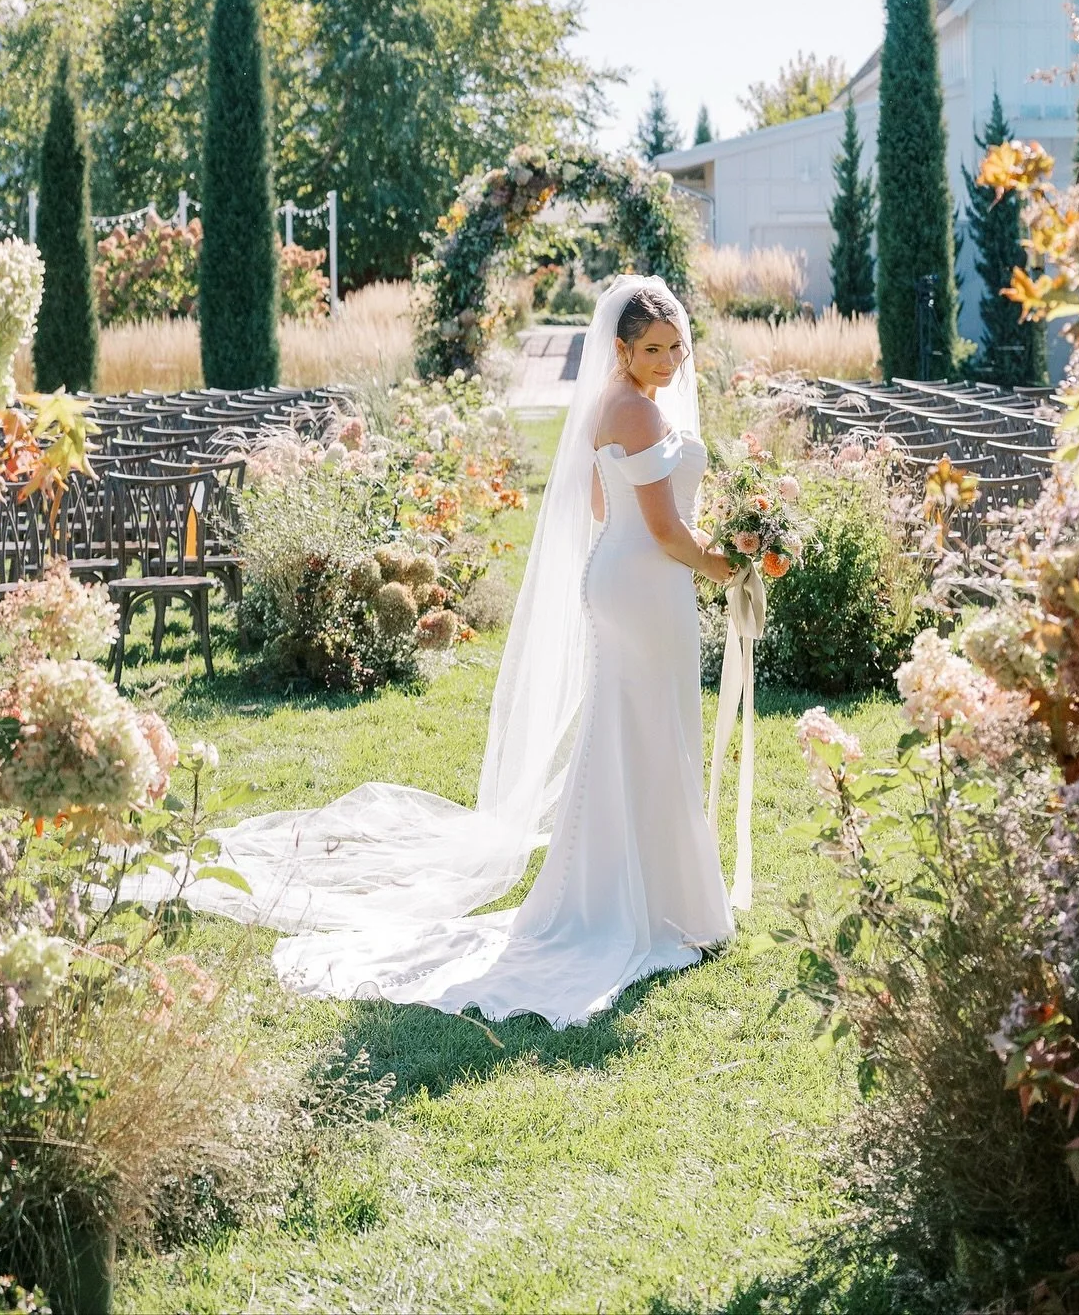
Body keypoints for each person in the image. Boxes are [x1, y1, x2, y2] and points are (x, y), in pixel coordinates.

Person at [176, 275, 736, 1029]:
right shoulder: (635, 409)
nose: (669, 361)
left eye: (676, 348)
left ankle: (631, 894)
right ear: (622, 348)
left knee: (631, 735)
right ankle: (648, 904)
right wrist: (733, 565)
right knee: (650, 733)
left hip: (627, 579)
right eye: (654, 349)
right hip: (646, 586)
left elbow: (605, 507)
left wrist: (691, 551)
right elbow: (668, 531)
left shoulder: (616, 402)